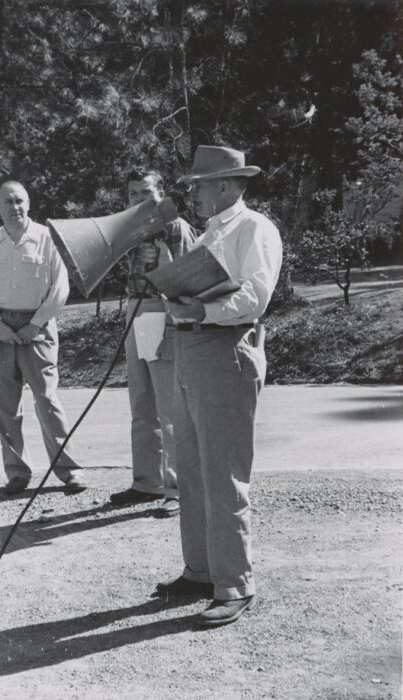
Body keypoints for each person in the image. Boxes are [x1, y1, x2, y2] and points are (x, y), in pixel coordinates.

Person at [156, 146, 283, 627]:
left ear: (228, 185)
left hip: (226, 349)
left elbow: (255, 295)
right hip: (191, 348)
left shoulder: (255, 228)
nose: (195, 192)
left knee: (224, 472)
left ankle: (235, 583)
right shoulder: (211, 231)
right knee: (189, 467)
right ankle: (202, 569)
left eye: (201, 185)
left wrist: (201, 310)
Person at [0, 180, 86, 495]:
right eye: (7, 201)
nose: (15, 207)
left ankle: (69, 470)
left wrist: (36, 323)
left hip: (38, 326)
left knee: (47, 399)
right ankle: (17, 473)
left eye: (20, 200)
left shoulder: (47, 239)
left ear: (29, 204)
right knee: (4, 404)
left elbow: (60, 286)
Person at [109, 168, 196, 517]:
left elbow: (190, 275)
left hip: (164, 310)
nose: (139, 199)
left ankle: (177, 488)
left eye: (146, 192)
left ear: (160, 192)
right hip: (137, 311)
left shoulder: (176, 227)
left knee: (169, 405)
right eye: (132, 194)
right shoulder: (133, 227)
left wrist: (163, 265)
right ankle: (147, 482)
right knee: (142, 402)